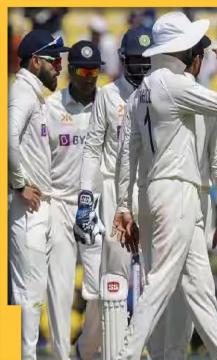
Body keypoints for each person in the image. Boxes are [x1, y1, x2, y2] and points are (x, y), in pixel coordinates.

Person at [114, 11, 217, 359]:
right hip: (180, 192)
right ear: (184, 51)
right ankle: (126, 354)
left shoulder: (139, 93)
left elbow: (128, 155)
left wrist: (126, 206)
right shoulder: (176, 83)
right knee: (160, 285)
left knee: (200, 292)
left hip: (153, 192)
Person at [75, 27, 152, 360]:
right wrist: (86, 198)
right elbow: (92, 149)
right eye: (135, 59)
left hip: (149, 189)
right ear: (123, 59)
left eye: (146, 60)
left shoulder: (159, 93)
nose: (141, 66)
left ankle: (141, 350)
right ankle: (101, 350)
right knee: (113, 279)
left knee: (151, 279)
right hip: (111, 190)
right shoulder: (108, 96)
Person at [8, 29, 69, 360]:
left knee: (29, 293)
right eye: (54, 60)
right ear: (35, 62)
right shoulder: (22, 93)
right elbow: (7, 139)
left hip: (38, 206)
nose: (60, 66)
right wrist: (19, 184)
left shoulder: (34, 95)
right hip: (26, 206)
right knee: (26, 295)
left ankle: (17, 354)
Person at [46, 40, 105, 360]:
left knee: (97, 288)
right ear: (71, 71)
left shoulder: (108, 104)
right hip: (59, 202)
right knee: (60, 285)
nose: (90, 77)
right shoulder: (51, 107)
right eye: (83, 70)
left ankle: (87, 346)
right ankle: (59, 354)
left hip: (94, 206)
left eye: (95, 70)